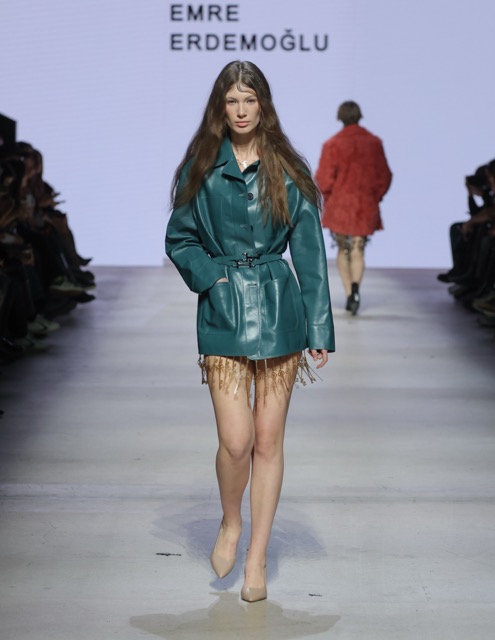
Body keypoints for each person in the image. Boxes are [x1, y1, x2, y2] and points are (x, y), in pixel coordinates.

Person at [165, 60, 335, 603]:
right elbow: (179, 237)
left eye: (250, 100)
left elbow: (309, 252)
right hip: (223, 311)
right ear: (221, 106)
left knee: (267, 440)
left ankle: (256, 557)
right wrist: (211, 278)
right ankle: (231, 521)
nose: (241, 111)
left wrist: (319, 327)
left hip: (280, 309)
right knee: (235, 442)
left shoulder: (287, 169)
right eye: (232, 100)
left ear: (264, 104)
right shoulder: (200, 167)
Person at [315, 101, 392, 314]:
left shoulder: (332, 144)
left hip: (340, 203)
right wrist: (375, 196)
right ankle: (356, 288)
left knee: (343, 248)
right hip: (365, 202)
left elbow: (323, 179)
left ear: (340, 117)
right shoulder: (374, 143)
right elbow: (385, 175)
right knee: (358, 247)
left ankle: (349, 293)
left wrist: (329, 197)